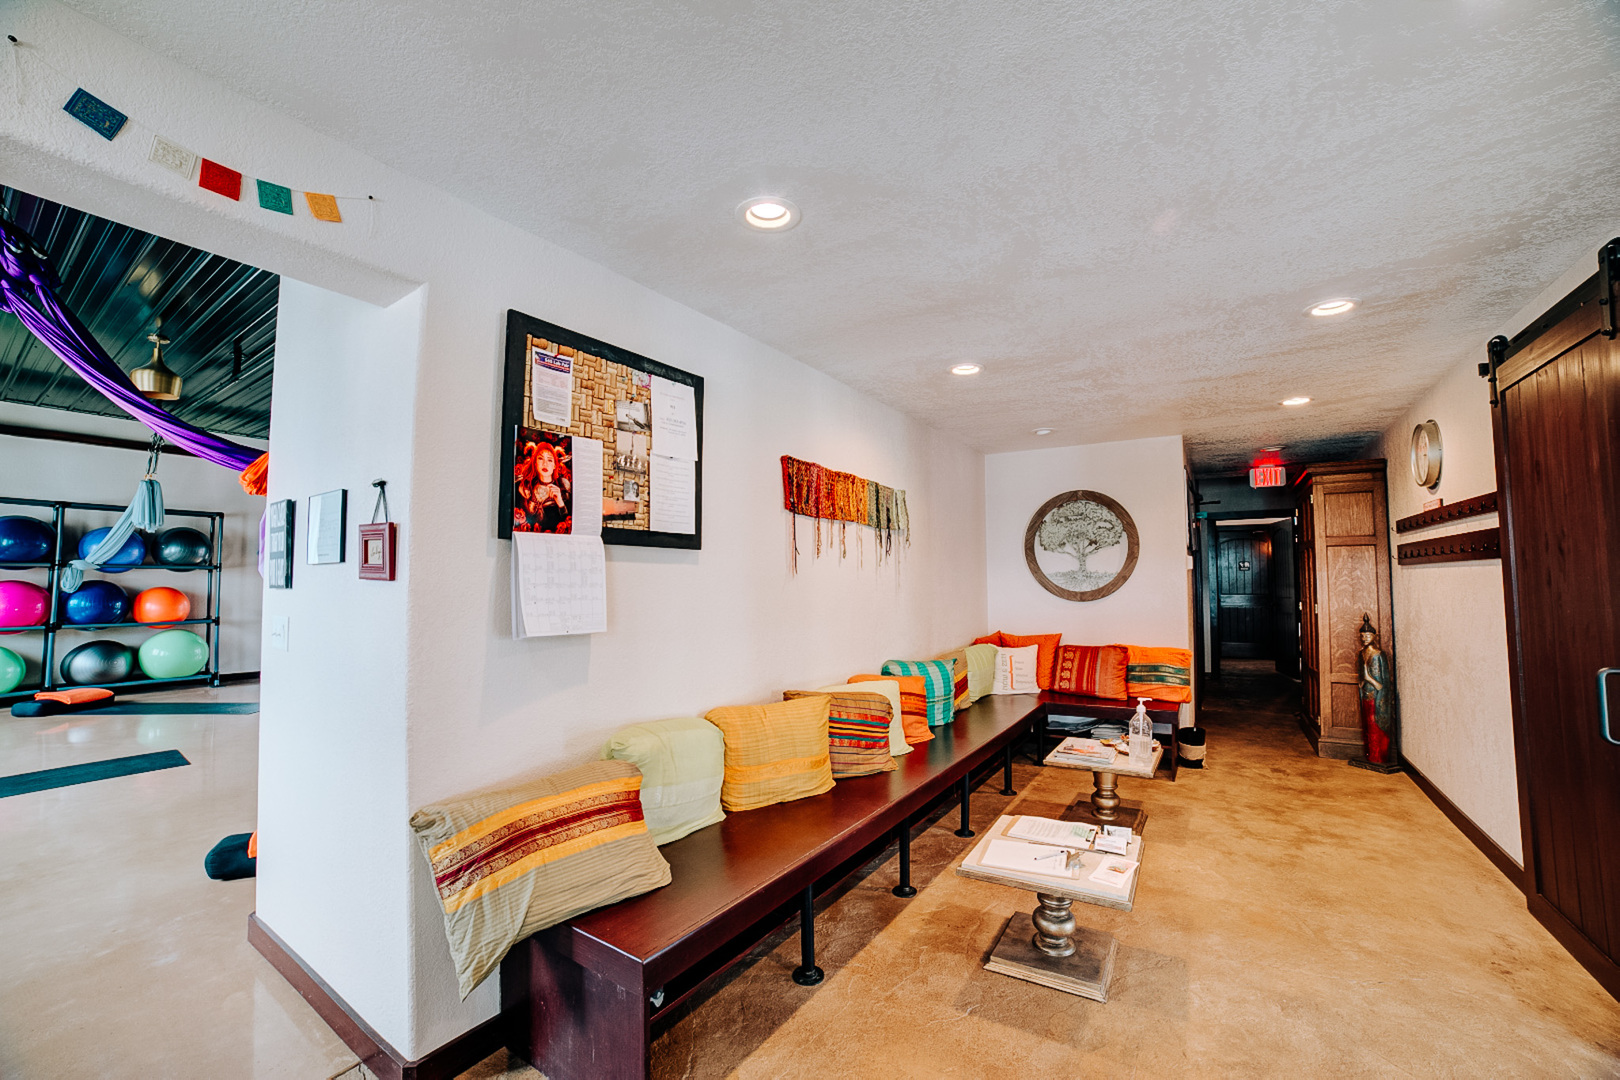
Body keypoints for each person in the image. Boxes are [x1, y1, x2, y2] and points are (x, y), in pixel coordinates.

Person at [1357, 614, 1395, 766]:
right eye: (1362, 636)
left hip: (1377, 697)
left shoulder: (1379, 655)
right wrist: (1362, 682)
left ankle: (1378, 757)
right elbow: (1361, 678)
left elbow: (1382, 684)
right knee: (1367, 726)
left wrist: (1368, 677)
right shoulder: (1361, 654)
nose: (1364, 638)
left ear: (1374, 636)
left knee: (1376, 726)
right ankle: (1370, 755)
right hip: (1366, 695)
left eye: (1367, 635)